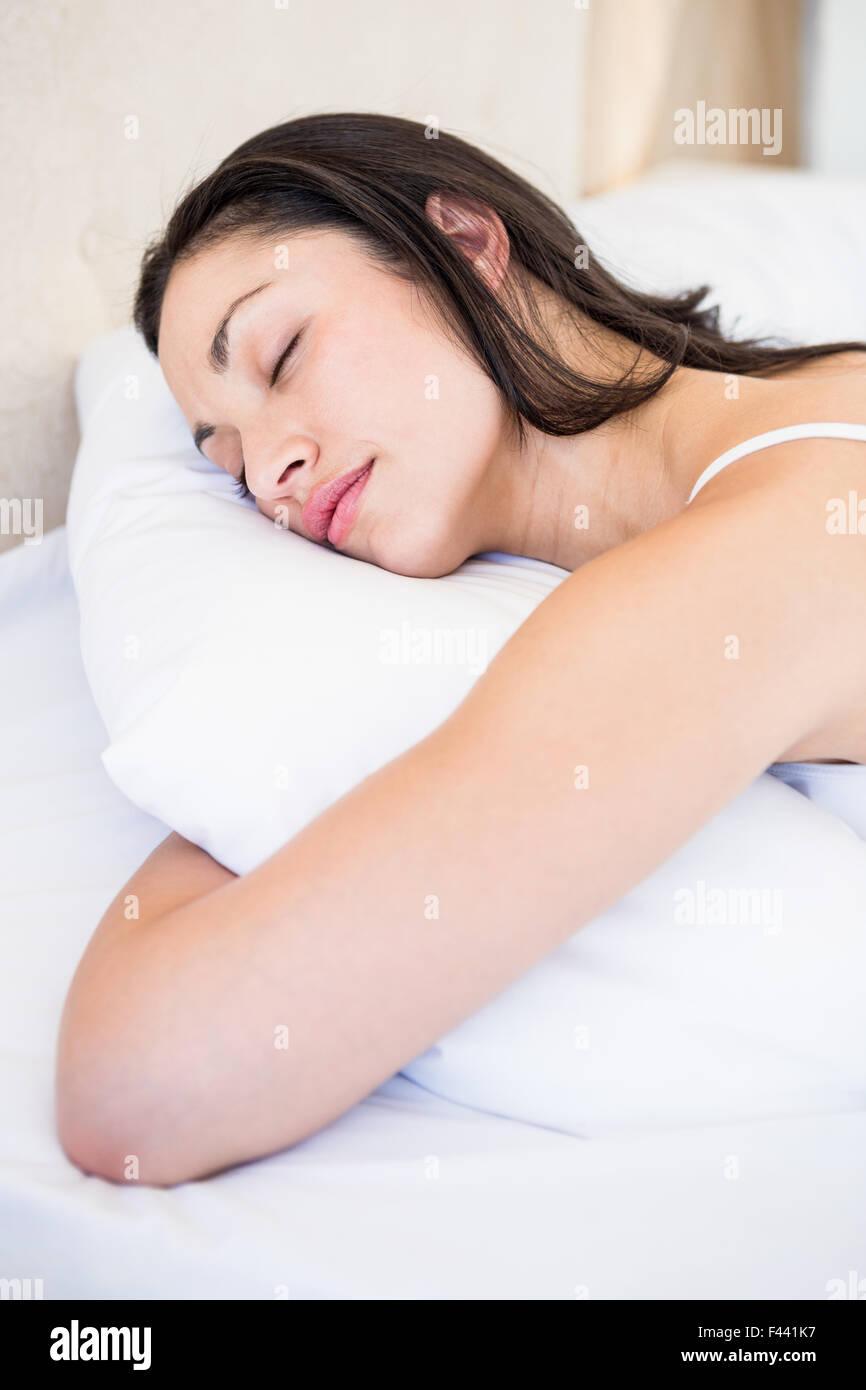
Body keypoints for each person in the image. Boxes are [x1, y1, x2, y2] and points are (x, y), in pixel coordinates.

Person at [55, 113, 866, 1187]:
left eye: (281, 353)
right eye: (225, 454)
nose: (269, 475)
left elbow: (136, 1090)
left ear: (468, 244)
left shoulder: (759, 553)